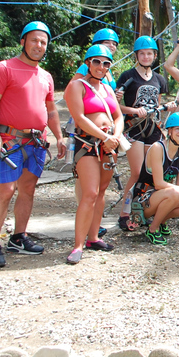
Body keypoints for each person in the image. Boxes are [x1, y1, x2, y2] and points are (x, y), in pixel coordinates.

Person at [0, 21, 66, 268]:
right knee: (5, 190)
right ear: (23, 41)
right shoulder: (4, 69)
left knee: (28, 189)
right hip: (10, 140)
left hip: (36, 142)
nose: (39, 45)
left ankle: (19, 237)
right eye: (34, 40)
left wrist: (59, 137)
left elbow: (50, 110)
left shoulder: (46, 76)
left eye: (43, 42)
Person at [64, 45, 125, 264]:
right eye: (97, 62)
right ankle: (78, 245)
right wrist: (104, 136)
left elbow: (118, 116)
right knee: (89, 193)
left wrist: (115, 137)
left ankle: (93, 238)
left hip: (109, 146)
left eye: (106, 63)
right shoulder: (76, 86)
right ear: (88, 63)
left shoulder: (108, 89)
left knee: (101, 193)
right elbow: (79, 118)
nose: (101, 67)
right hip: (88, 145)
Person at [115, 36, 176, 231]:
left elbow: (157, 105)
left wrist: (167, 109)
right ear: (136, 55)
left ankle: (142, 210)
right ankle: (125, 213)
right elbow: (116, 106)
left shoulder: (159, 79)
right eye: (142, 53)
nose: (146, 56)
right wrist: (134, 111)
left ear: (155, 56)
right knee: (136, 173)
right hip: (134, 128)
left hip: (152, 129)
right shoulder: (127, 76)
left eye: (149, 53)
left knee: (150, 174)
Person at [132, 112, 179, 245]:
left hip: (163, 196)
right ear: (169, 131)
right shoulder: (158, 148)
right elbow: (159, 184)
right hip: (144, 198)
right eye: (178, 129)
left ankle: (160, 221)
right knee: (176, 192)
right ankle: (153, 229)